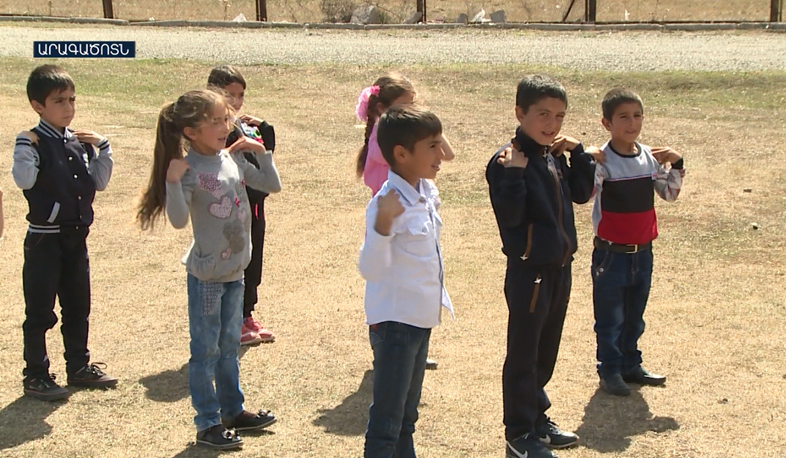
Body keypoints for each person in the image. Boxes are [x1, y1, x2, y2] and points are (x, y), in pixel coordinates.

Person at [137, 89, 281, 450]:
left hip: (236, 272)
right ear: (190, 131)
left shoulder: (228, 159)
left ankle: (233, 411)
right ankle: (207, 423)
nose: (224, 126)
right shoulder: (189, 169)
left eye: (225, 119)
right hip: (208, 280)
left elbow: (271, 185)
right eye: (214, 121)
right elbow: (177, 220)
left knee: (229, 346)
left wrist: (264, 155)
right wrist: (172, 181)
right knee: (206, 352)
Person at [486, 75, 596, 458]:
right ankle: (519, 431)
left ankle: (536, 418)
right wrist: (515, 173)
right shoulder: (507, 161)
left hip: (559, 268)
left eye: (560, 116)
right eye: (543, 115)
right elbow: (511, 217)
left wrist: (578, 154)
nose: (552, 124)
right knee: (524, 352)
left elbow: (582, 194)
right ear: (520, 113)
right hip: (529, 272)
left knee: (546, 349)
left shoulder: (552, 155)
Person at [12, 64, 117, 401]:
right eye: (59, 101)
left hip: (76, 237)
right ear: (37, 105)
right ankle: (36, 374)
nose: (68, 108)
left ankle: (78, 366)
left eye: (72, 100)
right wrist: (25, 147)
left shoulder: (79, 143)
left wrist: (104, 148)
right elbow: (24, 180)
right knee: (40, 310)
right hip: (45, 238)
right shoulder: (33, 142)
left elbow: (99, 182)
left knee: (77, 305)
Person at [358, 105, 453, 458]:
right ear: (401, 153)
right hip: (395, 323)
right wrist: (382, 225)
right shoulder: (386, 203)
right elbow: (370, 268)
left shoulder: (425, 191)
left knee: (406, 418)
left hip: (420, 319)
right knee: (386, 423)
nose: (441, 154)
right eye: (432, 146)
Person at [590, 87, 684, 396]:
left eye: (637, 116)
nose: (632, 124)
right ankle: (610, 370)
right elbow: (586, 193)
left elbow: (668, 194)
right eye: (623, 117)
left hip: (642, 253)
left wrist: (677, 164)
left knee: (634, 316)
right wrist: (585, 162)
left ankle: (631, 364)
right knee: (610, 319)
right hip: (611, 255)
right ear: (607, 123)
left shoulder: (648, 158)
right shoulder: (603, 161)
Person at [208, 65, 277, 346]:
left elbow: (266, 157)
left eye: (240, 95)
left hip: (254, 207)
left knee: (253, 261)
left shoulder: (243, 126)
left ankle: (246, 313)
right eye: (229, 95)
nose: (236, 101)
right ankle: (231, 319)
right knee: (233, 262)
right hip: (232, 209)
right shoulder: (218, 129)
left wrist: (264, 128)